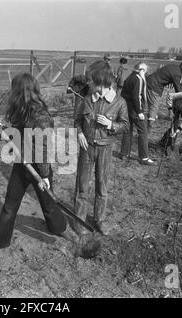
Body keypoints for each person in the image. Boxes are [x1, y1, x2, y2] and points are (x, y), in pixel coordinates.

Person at [0, 73, 79, 265]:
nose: (11, 93)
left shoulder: (41, 116)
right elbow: (15, 136)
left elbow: (43, 149)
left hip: (39, 166)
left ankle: (59, 228)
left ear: (20, 91)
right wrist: (0, 129)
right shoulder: (18, 110)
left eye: (14, 89)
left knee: (50, 204)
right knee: (10, 206)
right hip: (22, 165)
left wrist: (44, 176)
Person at [74, 61, 129, 236]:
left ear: (100, 80)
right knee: (82, 185)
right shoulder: (86, 100)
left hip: (105, 149)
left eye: (90, 80)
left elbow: (126, 126)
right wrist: (80, 133)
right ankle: (79, 220)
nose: (88, 83)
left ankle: (99, 220)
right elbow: (77, 121)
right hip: (87, 147)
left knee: (101, 186)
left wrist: (111, 124)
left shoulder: (119, 102)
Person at [119, 62, 155, 165]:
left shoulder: (129, 78)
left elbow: (123, 94)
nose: (146, 73)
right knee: (143, 132)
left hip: (126, 109)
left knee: (127, 131)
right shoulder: (138, 79)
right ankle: (144, 157)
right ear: (141, 70)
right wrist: (139, 112)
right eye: (145, 71)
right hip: (136, 110)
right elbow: (136, 96)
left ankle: (124, 154)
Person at [146, 61, 182, 130]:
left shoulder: (174, 67)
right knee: (154, 105)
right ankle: (149, 126)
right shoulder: (177, 73)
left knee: (147, 104)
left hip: (149, 82)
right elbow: (177, 89)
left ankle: (145, 122)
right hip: (154, 86)